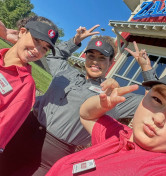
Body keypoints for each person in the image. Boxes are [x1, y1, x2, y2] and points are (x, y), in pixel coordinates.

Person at [0, 23, 157, 175]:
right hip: (22, 131)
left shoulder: (112, 95)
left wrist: (147, 70)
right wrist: (75, 40)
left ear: (111, 62)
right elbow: (56, 55)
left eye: (102, 58)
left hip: (50, 156)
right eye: (91, 56)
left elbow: (153, 104)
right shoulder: (67, 73)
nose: (95, 61)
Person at [46, 68, 166, 176]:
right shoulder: (120, 135)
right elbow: (87, 115)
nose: (158, 118)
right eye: (157, 99)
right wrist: (101, 105)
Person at [0, 16, 58, 153]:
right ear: (21, 32)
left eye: (44, 48)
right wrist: (4, 33)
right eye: (36, 40)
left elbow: (4, 128)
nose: (38, 51)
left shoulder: (25, 85)